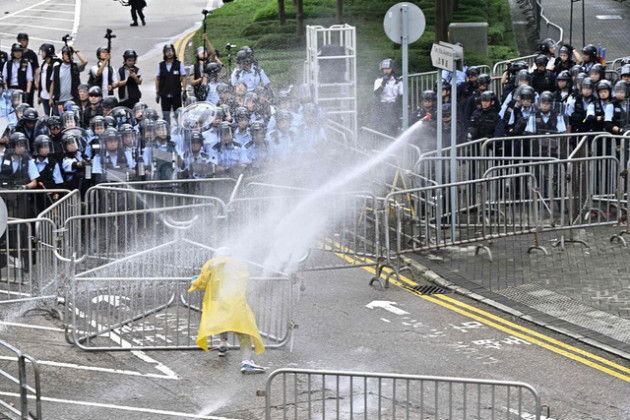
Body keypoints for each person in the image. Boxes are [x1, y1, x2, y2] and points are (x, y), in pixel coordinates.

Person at [188, 247, 266, 374]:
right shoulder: (240, 265)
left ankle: (223, 345)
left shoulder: (211, 264)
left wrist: (194, 282)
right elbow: (246, 281)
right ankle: (246, 362)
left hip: (218, 302)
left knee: (223, 323)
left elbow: (201, 283)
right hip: (236, 303)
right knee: (244, 333)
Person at [49, 45, 88, 115]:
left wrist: (75, 50)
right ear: (63, 55)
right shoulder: (57, 68)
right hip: (60, 101)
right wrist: (50, 98)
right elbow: (53, 83)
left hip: (72, 100)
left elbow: (85, 61)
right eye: (66, 54)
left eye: (70, 54)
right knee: (61, 118)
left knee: (71, 118)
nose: (68, 56)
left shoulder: (75, 67)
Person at [155, 44, 186, 124]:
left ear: (174, 52)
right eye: (167, 51)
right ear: (164, 53)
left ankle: (179, 131)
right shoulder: (160, 65)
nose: (169, 53)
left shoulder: (179, 64)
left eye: (171, 51)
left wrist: (184, 91)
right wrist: (157, 92)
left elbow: (183, 77)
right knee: (166, 115)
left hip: (176, 95)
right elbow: (157, 79)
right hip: (164, 95)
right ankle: (167, 133)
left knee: (178, 115)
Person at [373, 58, 402, 136]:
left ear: (392, 69)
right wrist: (383, 84)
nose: (386, 71)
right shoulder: (378, 80)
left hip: (393, 105)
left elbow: (402, 94)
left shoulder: (398, 82)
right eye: (384, 69)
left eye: (388, 68)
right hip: (382, 105)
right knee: (379, 125)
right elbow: (376, 93)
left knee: (393, 124)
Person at [17, 33, 39, 106]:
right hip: (18, 83)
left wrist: (37, 82)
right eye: (20, 41)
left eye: (24, 40)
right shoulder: (15, 54)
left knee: (29, 103)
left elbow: (36, 69)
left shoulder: (32, 54)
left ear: (27, 41)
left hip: (29, 83)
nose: (22, 42)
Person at [38, 43, 59, 116]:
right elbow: (41, 80)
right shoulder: (44, 64)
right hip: (44, 95)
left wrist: (51, 97)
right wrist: (39, 95)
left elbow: (54, 82)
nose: (42, 54)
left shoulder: (55, 64)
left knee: (55, 115)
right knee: (47, 116)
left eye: (43, 52)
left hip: (52, 97)